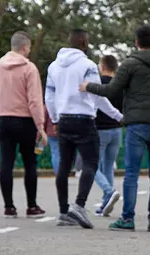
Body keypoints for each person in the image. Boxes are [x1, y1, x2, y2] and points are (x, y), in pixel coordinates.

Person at [82, 24, 150, 232]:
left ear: (136, 42)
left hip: (137, 124)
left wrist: (88, 87)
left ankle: (128, 218)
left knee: (132, 173)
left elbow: (112, 90)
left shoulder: (131, 64)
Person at [46, 28, 123, 229]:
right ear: (83, 43)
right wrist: (117, 115)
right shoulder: (88, 65)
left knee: (64, 164)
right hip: (84, 119)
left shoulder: (53, 67)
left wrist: (55, 118)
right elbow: (97, 96)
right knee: (90, 162)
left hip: (63, 119)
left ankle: (63, 212)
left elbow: (49, 97)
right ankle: (79, 206)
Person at [0, 32, 47, 218]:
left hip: (4, 119)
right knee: (30, 162)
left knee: (6, 162)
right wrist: (40, 126)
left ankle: (9, 206)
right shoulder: (29, 68)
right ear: (25, 47)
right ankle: (31, 205)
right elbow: (34, 101)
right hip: (25, 120)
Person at [92, 55, 123, 217]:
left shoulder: (97, 84)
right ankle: (106, 203)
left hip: (99, 129)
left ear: (102, 67)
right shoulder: (120, 86)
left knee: (91, 165)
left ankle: (109, 192)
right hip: (117, 129)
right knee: (108, 167)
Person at [44, 108, 60, 175]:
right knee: (64, 154)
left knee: (54, 153)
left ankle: (58, 174)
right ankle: (63, 173)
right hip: (63, 131)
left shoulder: (48, 104)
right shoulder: (64, 101)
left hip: (51, 132)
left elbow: (44, 120)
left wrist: (42, 132)